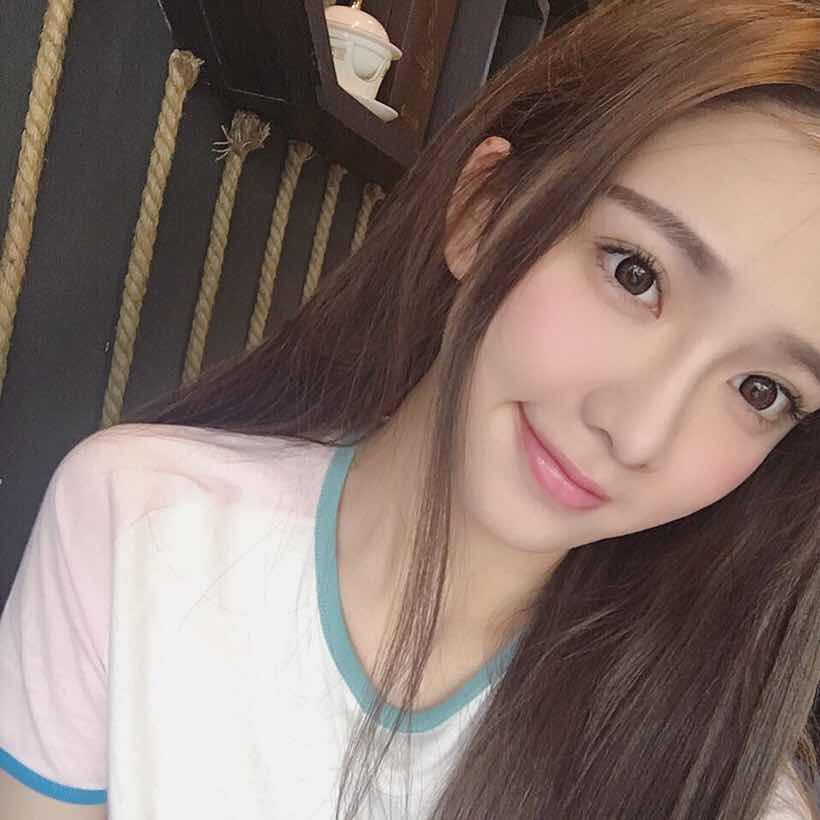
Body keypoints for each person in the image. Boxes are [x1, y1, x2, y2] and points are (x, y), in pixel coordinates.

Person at [2, 0, 820, 817]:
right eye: (634, 274)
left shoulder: (725, 786)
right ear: (483, 210)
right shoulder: (139, 525)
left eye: (763, 390)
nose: (638, 433)